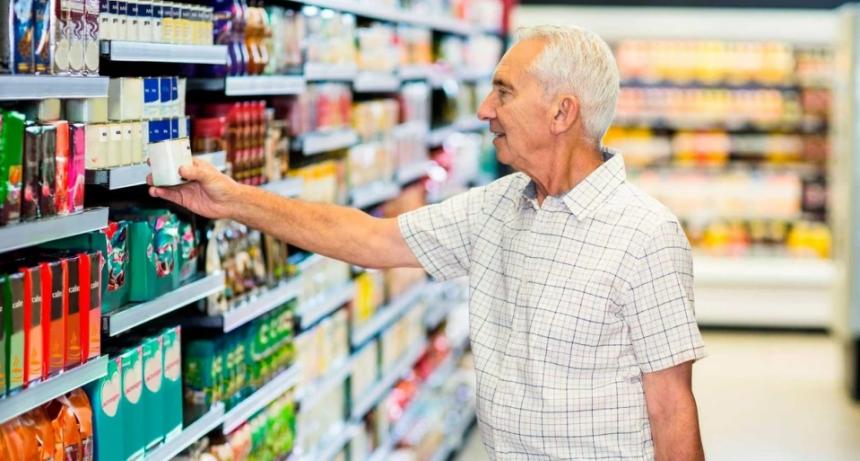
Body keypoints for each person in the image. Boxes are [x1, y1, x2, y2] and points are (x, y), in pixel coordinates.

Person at [150, 25, 706, 461]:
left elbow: (672, 410)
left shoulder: (645, 235)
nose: (485, 109)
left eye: (504, 92)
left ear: (562, 112)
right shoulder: (499, 206)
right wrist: (231, 201)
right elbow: (367, 237)